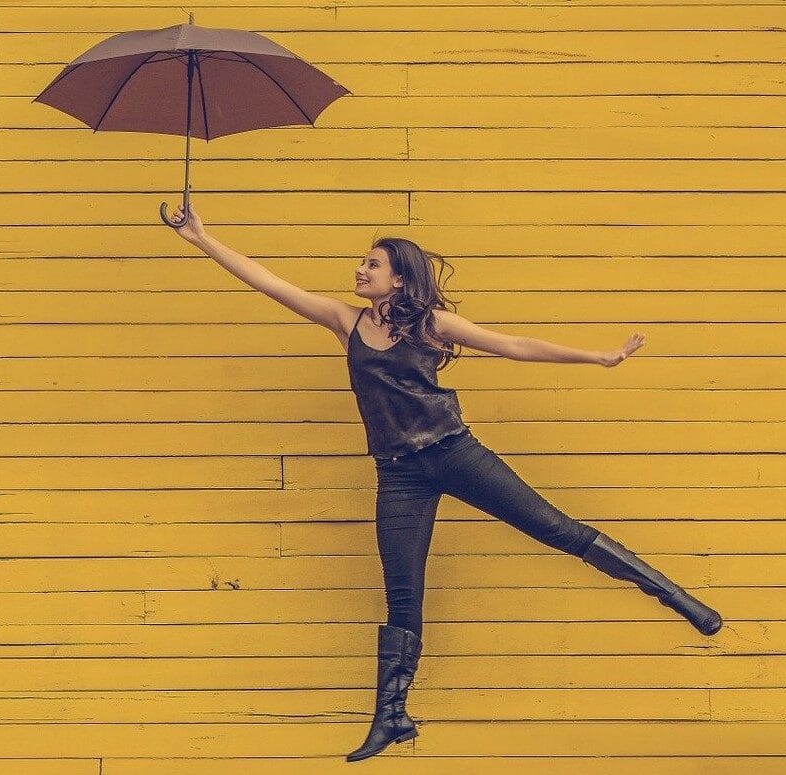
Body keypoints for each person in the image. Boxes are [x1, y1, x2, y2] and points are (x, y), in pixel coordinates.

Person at [165, 204, 722, 762]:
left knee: (556, 529)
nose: (360, 271)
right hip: (398, 474)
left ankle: (679, 599)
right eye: (363, 263)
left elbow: (514, 345)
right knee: (403, 598)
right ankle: (391, 717)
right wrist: (201, 239)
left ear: (399, 278)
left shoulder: (431, 324)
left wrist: (598, 357)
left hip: (454, 453)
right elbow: (269, 283)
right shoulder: (346, 321)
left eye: (372, 264)